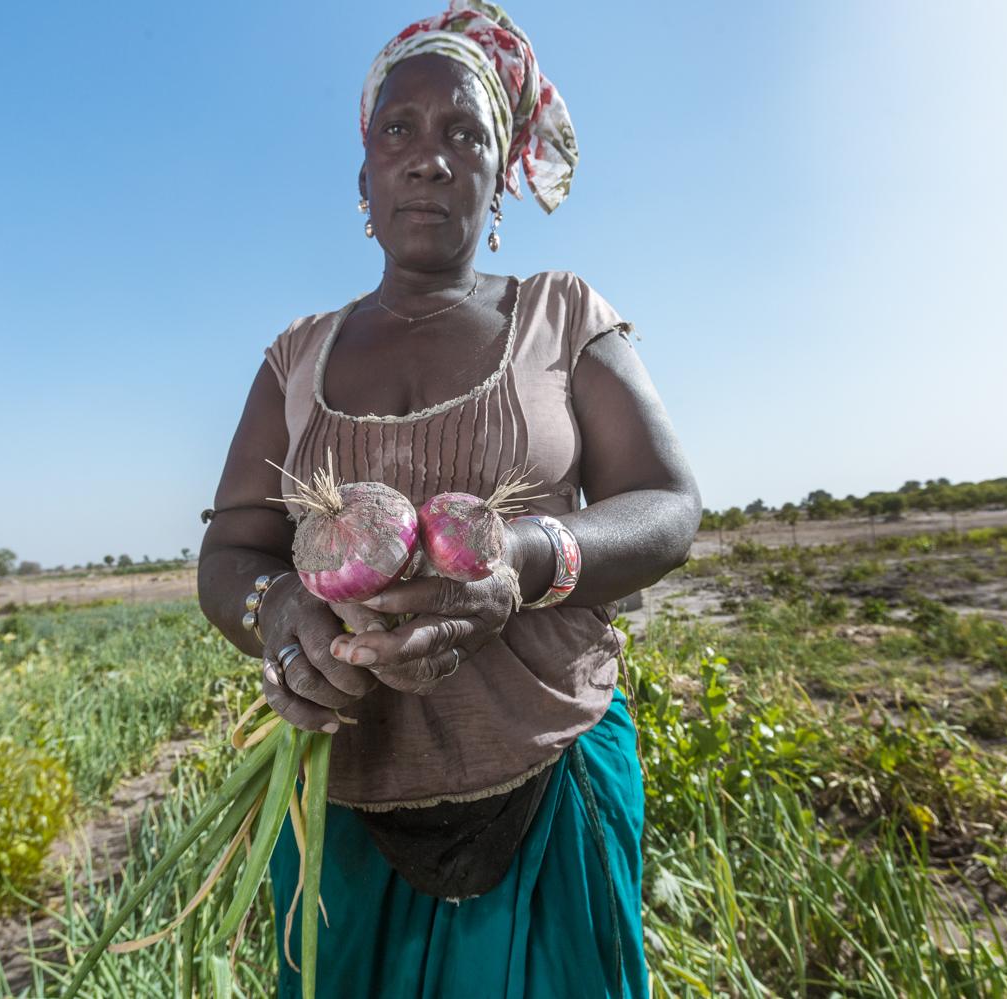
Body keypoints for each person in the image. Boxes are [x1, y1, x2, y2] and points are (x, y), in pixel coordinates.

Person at [198, 2, 700, 995]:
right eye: (400, 130)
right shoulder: (292, 359)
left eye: (464, 133)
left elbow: (666, 502)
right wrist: (280, 615)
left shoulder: (561, 316)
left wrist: (522, 560)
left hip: (549, 779)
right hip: (339, 807)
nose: (429, 156)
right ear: (363, 180)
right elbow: (232, 553)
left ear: (498, 177)